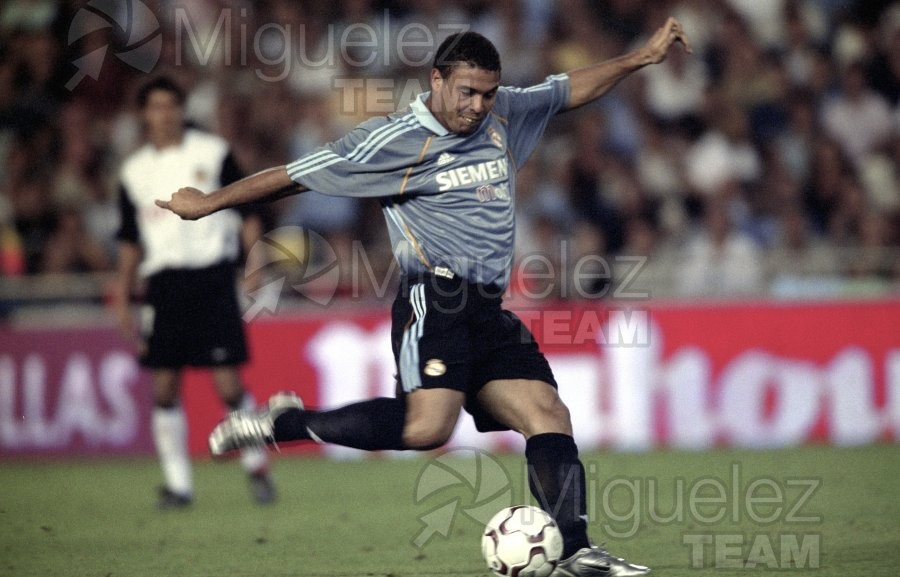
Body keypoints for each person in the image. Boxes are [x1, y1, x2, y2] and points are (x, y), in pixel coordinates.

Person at [157, 20, 690, 576]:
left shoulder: (504, 111)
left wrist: (638, 59)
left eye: (487, 92)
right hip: (432, 297)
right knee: (427, 428)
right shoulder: (392, 141)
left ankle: (577, 552)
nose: (479, 105)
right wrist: (210, 201)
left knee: (547, 412)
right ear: (436, 80)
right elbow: (297, 175)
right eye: (467, 92)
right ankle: (286, 424)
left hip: (486, 306)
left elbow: (569, 89)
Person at [113, 76, 277, 509]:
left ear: (182, 110)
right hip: (163, 284)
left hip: (211, 277)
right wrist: (122, 292)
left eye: (171, 105)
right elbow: (130, 239)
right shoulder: (133, 172)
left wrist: (254, 261)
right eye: (156, 107)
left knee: (227, 384)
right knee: (164, 387)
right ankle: (178, 484)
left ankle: (256, 465)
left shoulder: (212, 152)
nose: (164, 114)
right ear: (144, 114)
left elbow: (248, 208)